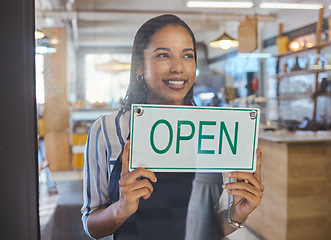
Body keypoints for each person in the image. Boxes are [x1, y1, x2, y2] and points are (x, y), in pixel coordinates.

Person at [81, 14, 264, 240]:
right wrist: (121, 209)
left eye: (188, 55)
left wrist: (238, 213)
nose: (178, 67)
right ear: (139, 65)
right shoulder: (107, 129)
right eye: (163, 55)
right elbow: (92, 225)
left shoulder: (216, 130)